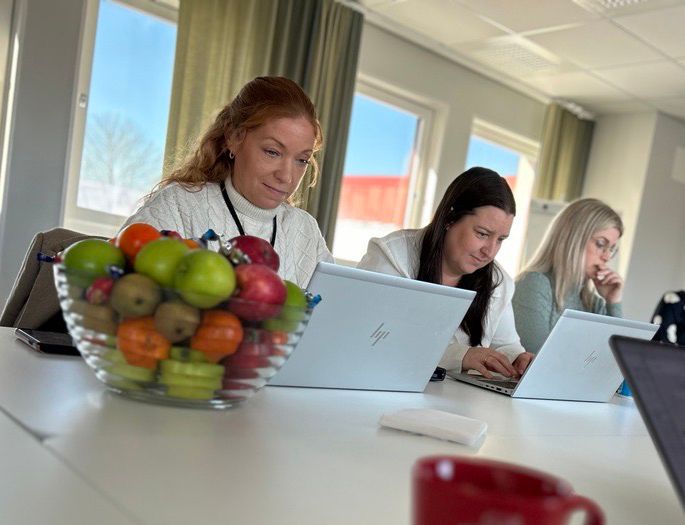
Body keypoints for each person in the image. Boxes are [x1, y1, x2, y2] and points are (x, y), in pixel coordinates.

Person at [121, 76, 333, 288]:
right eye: (272, 152)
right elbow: (121, 290)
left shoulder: (306, 230)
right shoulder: (178, 205)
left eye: (302, 160)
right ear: (233, 137)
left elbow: (337, 312)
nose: (287, 177)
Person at [357, 167, 534, 379]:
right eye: (482, 234)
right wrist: (460, 356)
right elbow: (372, 336)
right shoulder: (393, 256)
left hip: (456, 404)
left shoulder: (498, 281)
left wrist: (517, 359)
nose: (490, 251)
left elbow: (506, 344)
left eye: (501, 240)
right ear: (450, 218)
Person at [512, 198, 624, 354]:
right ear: (574, 238)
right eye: (600, 244)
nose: (606, 257)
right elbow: (537, 361)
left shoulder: (594, 303)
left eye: (611, 249)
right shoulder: (534, 284)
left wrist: (613, 302)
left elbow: (616, 362)